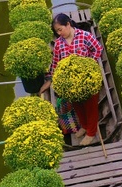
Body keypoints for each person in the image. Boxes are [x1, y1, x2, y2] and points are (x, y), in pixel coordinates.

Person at [40, 13, 103, 146]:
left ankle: (91, 132)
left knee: (90, 106)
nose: (59, 33)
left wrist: (89, 64)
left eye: (60, 29)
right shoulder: (58, 44)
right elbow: (56, 62)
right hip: (70, 83)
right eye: (57, 31)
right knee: (78, 106)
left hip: (87, 79)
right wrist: (51, 79)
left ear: (68, 24)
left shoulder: (84, 36)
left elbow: (98, 49)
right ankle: (84, 126)